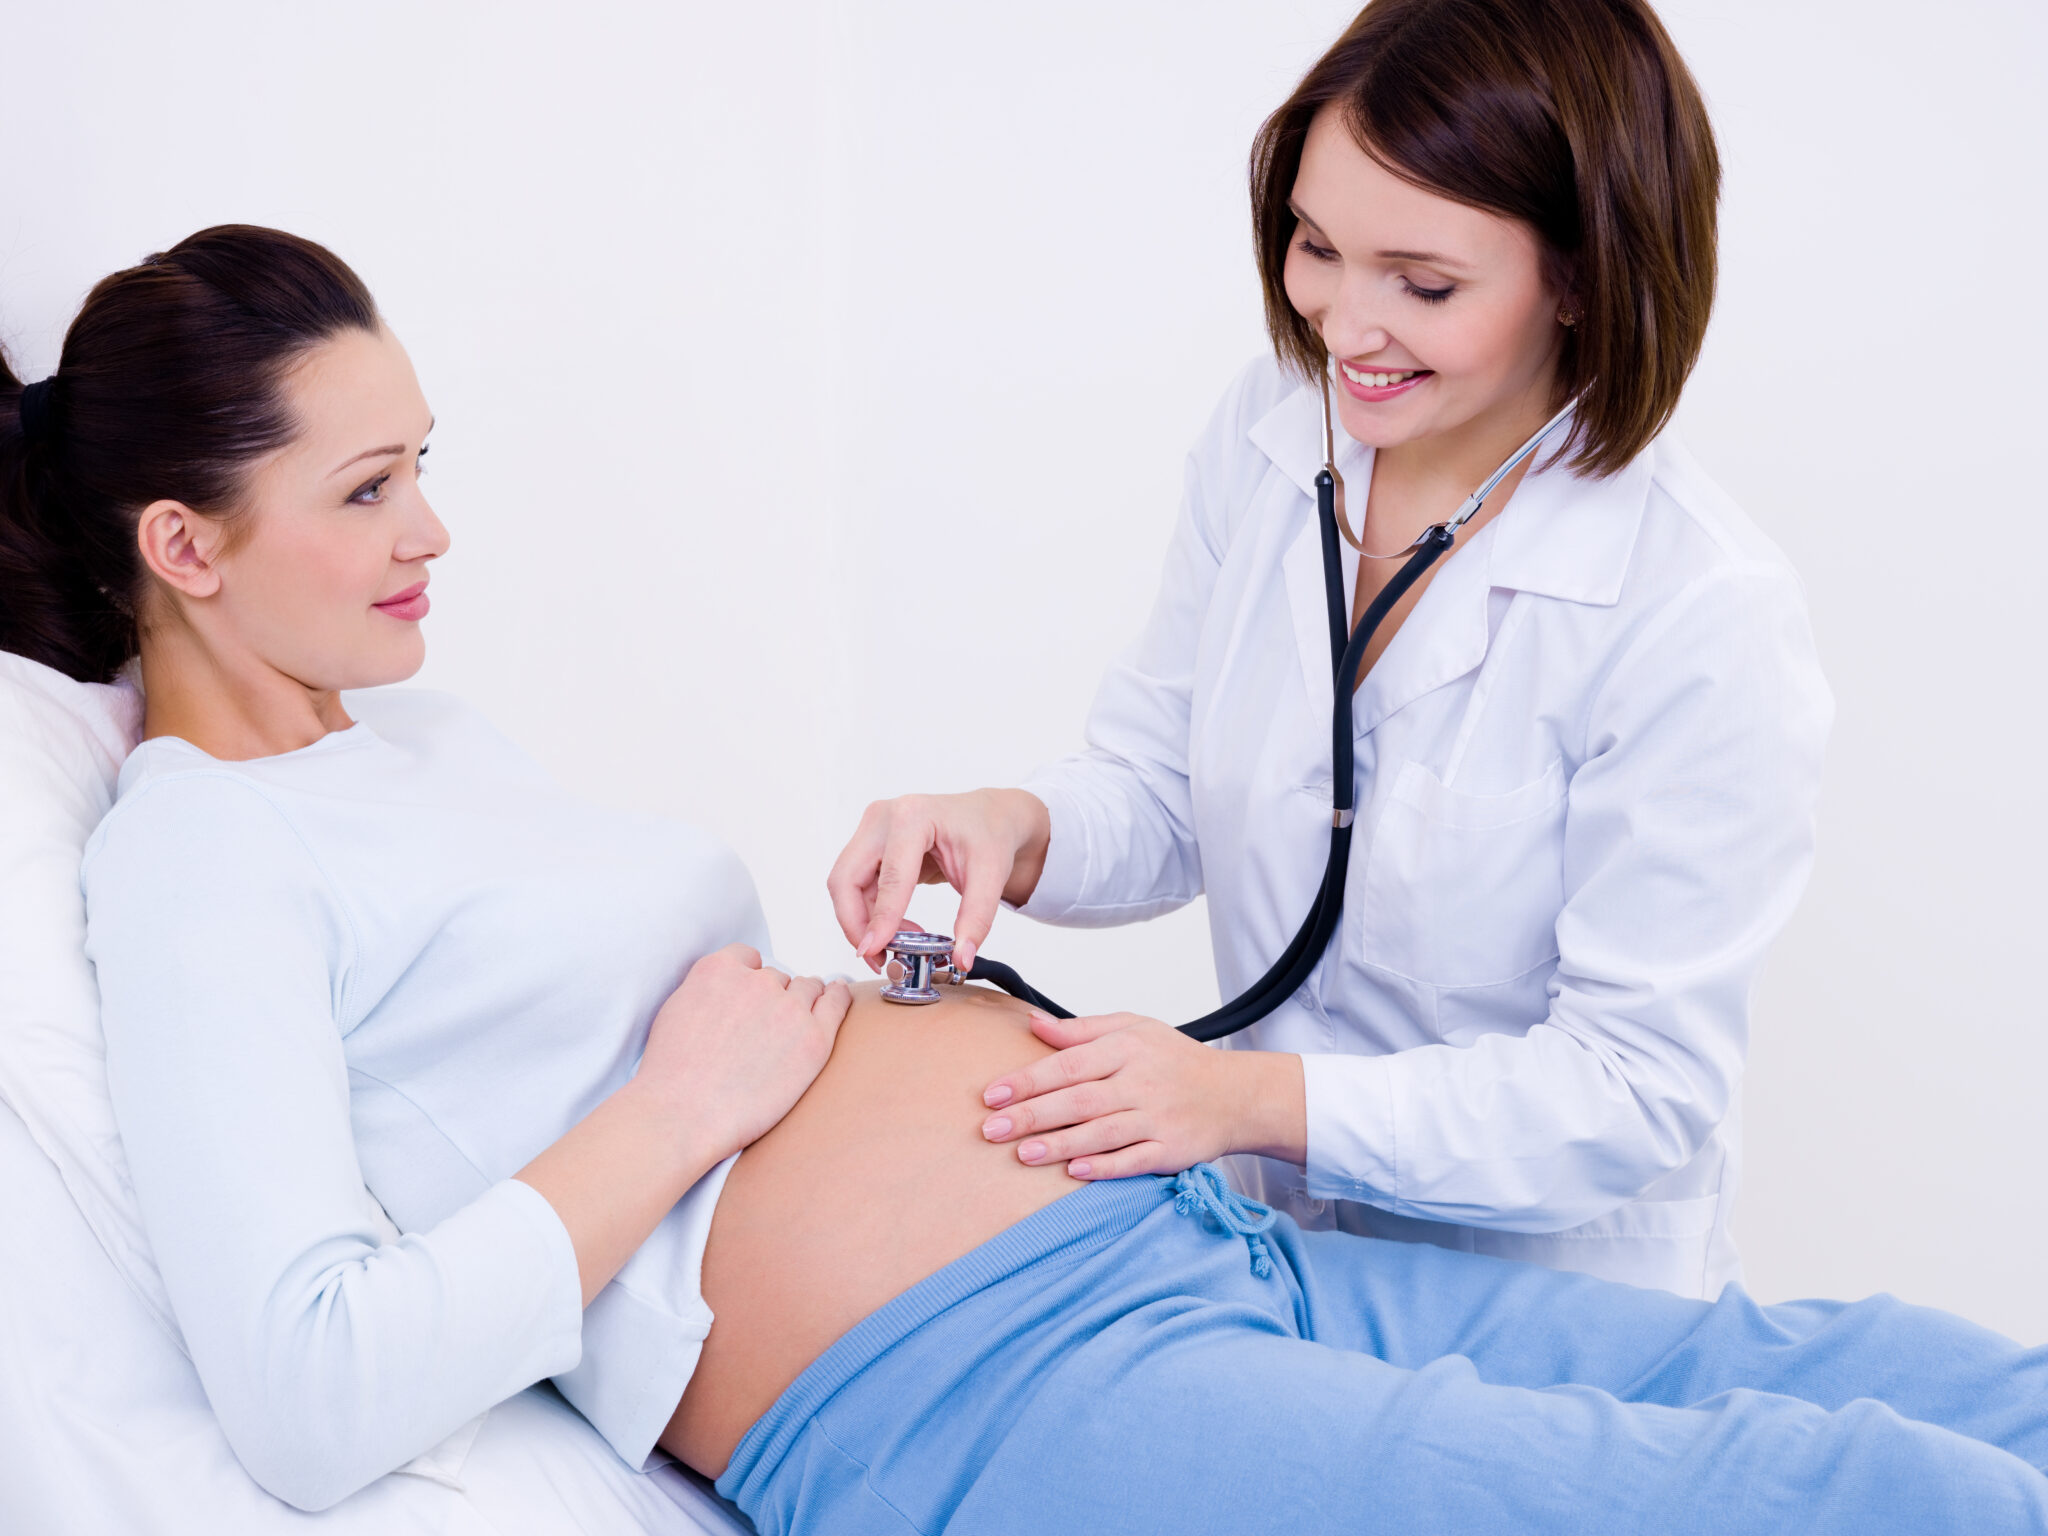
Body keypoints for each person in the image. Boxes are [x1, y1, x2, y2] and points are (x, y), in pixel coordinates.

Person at [9, 228, 2047, 1536]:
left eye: (424, 461)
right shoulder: (195, 859)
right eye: (366, 491)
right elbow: (304, 1386)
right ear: (184, 546)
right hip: (972, 1395)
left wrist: (977, 873)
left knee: (1893, 1385)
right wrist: (686, 1107)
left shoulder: (418, 748)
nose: (433, 529)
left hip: (1169, 1247)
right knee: (1833, 1498)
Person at [827, 0, 1832, 1299]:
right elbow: (1166, 790)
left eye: (1423, 285)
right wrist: (1010, 828)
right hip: (1279, 1257)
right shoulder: (1273, 436)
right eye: (1314, 246)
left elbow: (1631, 1088)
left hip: (1551, 1297)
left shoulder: (1698, 610)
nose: (1344, 326)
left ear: (1581, 272)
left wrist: (1247, 1100)